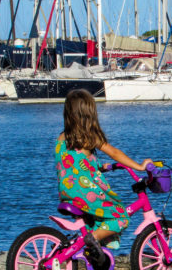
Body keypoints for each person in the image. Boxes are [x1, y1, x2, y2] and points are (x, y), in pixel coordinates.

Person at [55, 89, 152, 260]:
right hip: (84, 192)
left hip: (67, 191)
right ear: (89, 114)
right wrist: (139, 166)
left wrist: (102, 167)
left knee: (98, 219)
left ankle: (92, 250)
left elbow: (76, 162)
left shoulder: (62, 138)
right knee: (121, 217)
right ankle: (92, 239)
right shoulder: (88, 136)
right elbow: (114, 152)